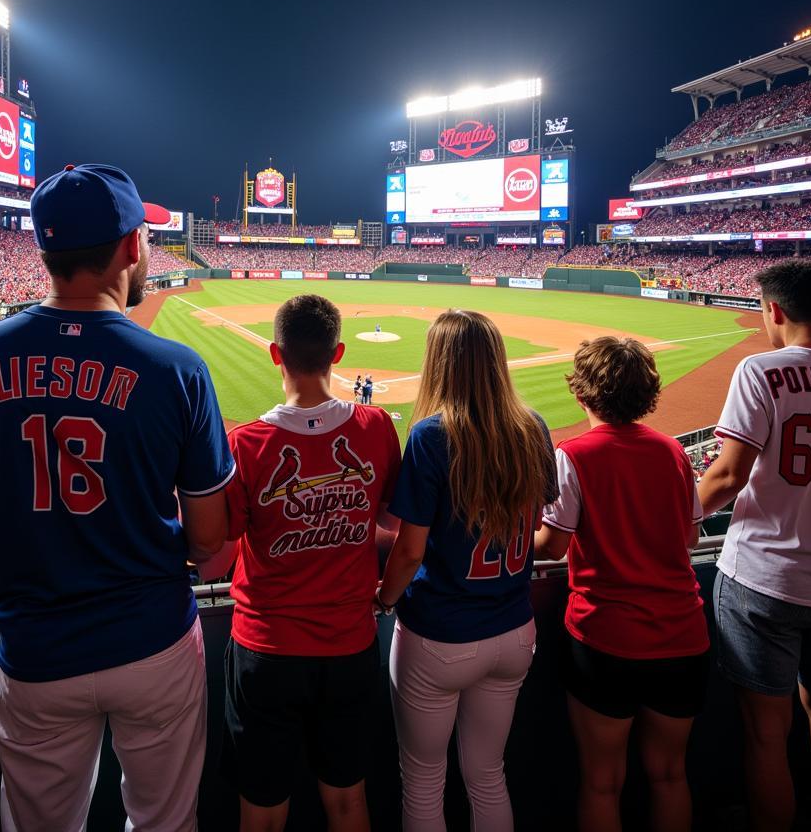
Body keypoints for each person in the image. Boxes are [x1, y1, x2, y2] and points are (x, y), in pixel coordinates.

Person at [0, 164, 235, 832]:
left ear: (44, 249)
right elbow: (208, 541)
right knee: (166, 823)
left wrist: (20, 564)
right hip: (154, 641)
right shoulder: (177, 369)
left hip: (36, 646)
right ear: (133, 247)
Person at [221, 294, 400, 832]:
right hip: (349, 644)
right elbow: (391, 525)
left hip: (265, 650)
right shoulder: (376, 428)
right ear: (338, 353)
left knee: (262, 808)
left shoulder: (245, 444)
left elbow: (219, 549)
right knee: (348, 803)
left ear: (276, 355)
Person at [379, 310, 556, 832]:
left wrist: (385, 600)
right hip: (514, 630)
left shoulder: (432, 435)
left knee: (424, 781)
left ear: (439, 363)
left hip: (440, 635)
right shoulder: (534, 426)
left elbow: (409, 552)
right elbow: (536, 524)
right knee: (487, 775)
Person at [536, 337, 708, 832]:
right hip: (681, 634)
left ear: (582, 394)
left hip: (604, 636)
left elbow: (552, 546)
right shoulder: (673, 451)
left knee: (601, 781)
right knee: (671, 776)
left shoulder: (575, 454)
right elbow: (691, 535)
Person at [698, 260, 811, 832]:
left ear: (774, 311)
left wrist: (674, 516)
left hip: (765, 577)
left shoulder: (761, 369)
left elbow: (725, 477)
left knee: (767, 737)